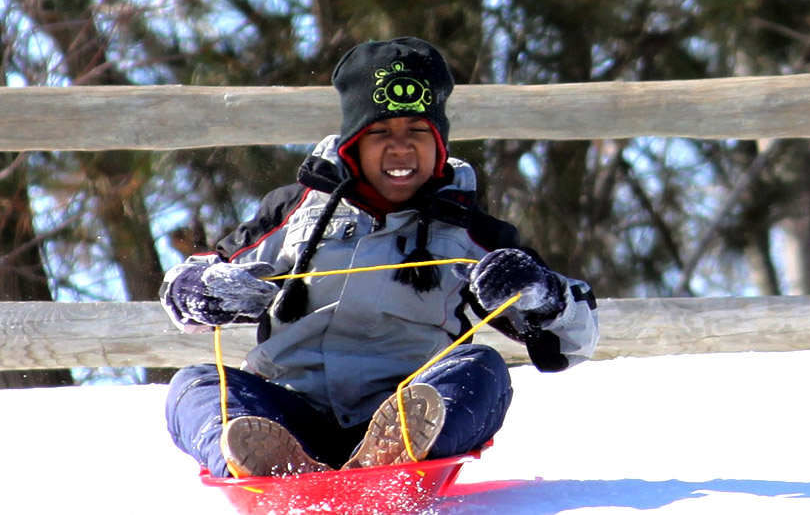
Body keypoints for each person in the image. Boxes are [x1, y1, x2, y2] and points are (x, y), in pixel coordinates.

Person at [161, 37, 599, 478]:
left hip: (408, 409)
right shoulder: (295, 211)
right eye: (380, 133)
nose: (401, 148)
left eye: (417, 131)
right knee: (193, 386)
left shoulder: (473, 233)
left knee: (484, 370)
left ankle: (392, 457)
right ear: (352, 144)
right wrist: (200, 289)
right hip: (288, 413)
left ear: (439, 143)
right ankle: (261, 462)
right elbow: (193, 278)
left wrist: (542, 297)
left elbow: (572, 342)